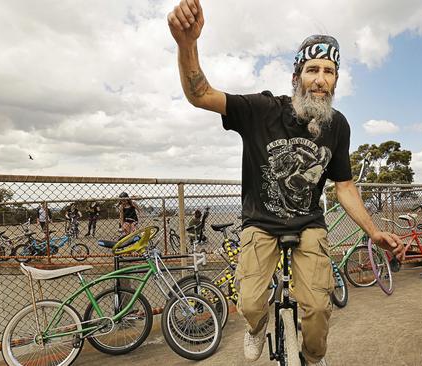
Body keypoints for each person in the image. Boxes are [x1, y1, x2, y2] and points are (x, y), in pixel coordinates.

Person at [168, 1, 405, 365]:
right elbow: (200, 94)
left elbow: (344, 186)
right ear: (296, 77)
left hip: (309, 224)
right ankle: (254, 328)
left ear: (336, 81)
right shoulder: (262, 110)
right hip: (260, 222)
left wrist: (375, 232)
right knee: (249, 303)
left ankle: (312, 356)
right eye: (312, 69)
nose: (320, 79)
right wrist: (187, 45)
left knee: (317, 309)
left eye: (329, 71)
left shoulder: (337, 125)